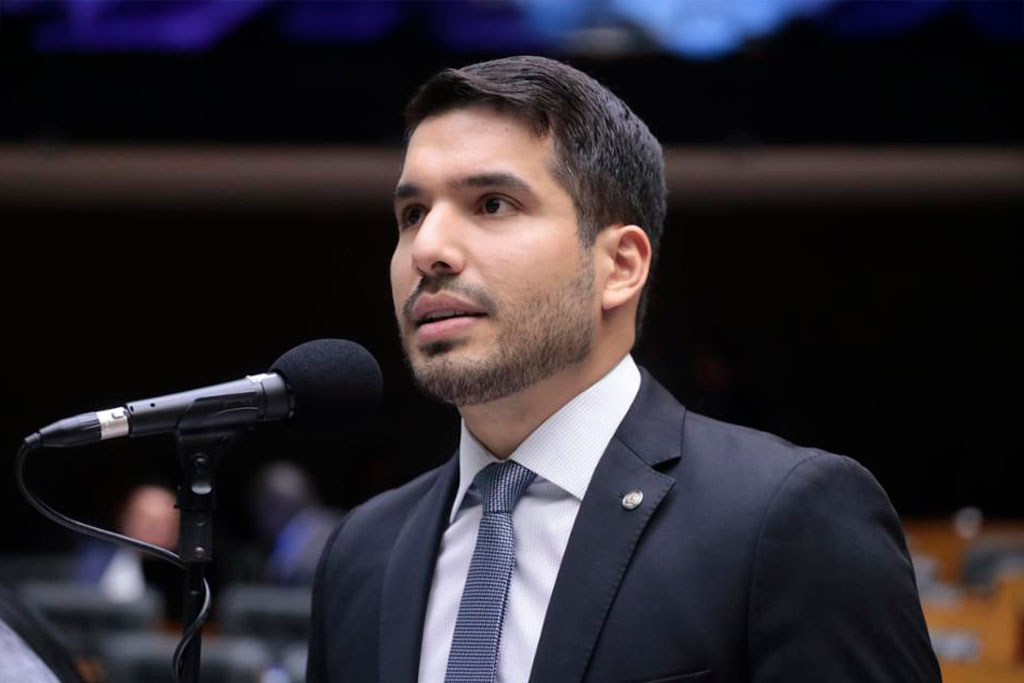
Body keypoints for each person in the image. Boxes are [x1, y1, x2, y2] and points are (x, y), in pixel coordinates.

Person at [307, 56, 940, 683]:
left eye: (493, 204)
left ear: (620, 266)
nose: (428, 250)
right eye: (412, 214)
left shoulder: (788, 519)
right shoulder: (361, 553)